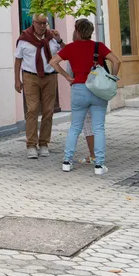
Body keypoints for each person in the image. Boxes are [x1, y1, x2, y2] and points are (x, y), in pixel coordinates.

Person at [50, 18, 120, 176]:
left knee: (75, 127)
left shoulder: (71, 47)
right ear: (91, 31)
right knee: (98, 128)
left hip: (79, 89)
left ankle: (67, 162)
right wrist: (112, 78)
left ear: (77, 31)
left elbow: (53, 62)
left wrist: (67, 77)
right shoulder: (99, 46)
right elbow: (116, 61)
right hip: (97, 90)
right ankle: (99, 164)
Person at [14, 14, 64, 159]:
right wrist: (17, 80)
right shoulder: (24, 39)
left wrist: (59, 40)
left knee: (48, 110)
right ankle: (31, 145)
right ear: (33, 23)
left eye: (45, 23)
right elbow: (18, 61)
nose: (42, 26)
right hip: (30, 77)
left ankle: (44, 144)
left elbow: (67, 51)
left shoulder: (52, 38)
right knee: (32, 109)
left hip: (50, 77)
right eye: (39, 23)